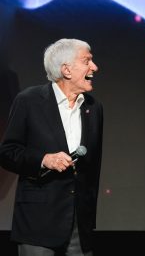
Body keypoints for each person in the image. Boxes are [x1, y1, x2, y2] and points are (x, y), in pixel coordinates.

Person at [0, 38, 103, 256]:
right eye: (87, 61)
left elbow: (93, 167)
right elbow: (7, 152)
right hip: (37, 221)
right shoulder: (29, 100)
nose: (94, 67)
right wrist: (44, 159)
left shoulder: (94, 108)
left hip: (79, 225)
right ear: (66, 69)